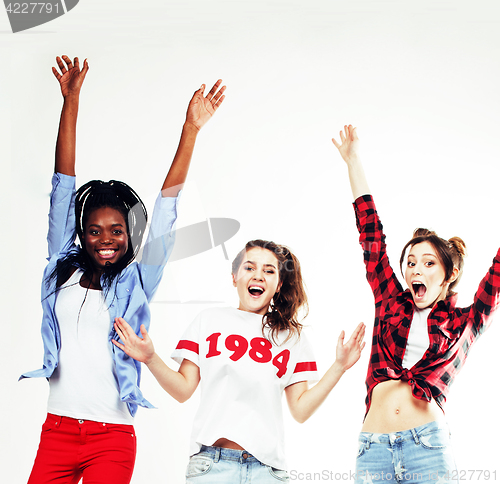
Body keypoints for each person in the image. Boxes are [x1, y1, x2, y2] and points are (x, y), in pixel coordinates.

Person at [21, 54, 226, 484]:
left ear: (130, 235)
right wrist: (70, 101)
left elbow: (167, 209)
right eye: (94, 231)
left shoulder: (138, 279)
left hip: (111, 438)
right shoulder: (61, 267)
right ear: (81, 234)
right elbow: (63, 184)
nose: (106, 240)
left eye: (117, 230)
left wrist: (190, 129)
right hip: (56, 431)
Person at [112, 239, 366, 483]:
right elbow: (183, 390)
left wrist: (339, 367)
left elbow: (300, 411)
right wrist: (150, 358)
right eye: (249, 267)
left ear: (278, 285)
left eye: (269, 270)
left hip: (268, 472)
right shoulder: (209, 320)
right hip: (212, 467)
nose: (258, 276)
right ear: (234, 278)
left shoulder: (291, 337)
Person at [332, 125, 500, 484]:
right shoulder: (390, 301)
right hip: (372, 447)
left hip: (428, 448)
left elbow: (497, 275)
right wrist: (353, 160)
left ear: (448, 273)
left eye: (428, 263)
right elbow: (371, 234)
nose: (415, 270)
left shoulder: (465, 322)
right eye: (410, 262)